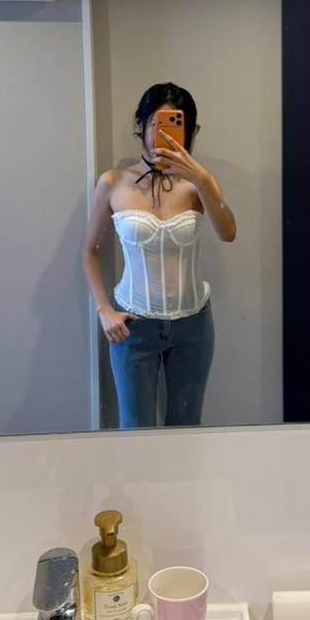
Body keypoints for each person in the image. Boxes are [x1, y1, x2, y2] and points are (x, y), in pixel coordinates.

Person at [81, 83, 236, 429]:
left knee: (186, 426)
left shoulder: (198, 184)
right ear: (139, 125)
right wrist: (104, 310)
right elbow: (89, 251)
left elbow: (228, 233)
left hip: (193, 325)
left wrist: (202, 178)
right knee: (135, 430)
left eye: (176, 124)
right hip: (132, 325)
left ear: (191, 131)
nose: (162, 134)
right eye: (155, 123)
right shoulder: (113, 182)